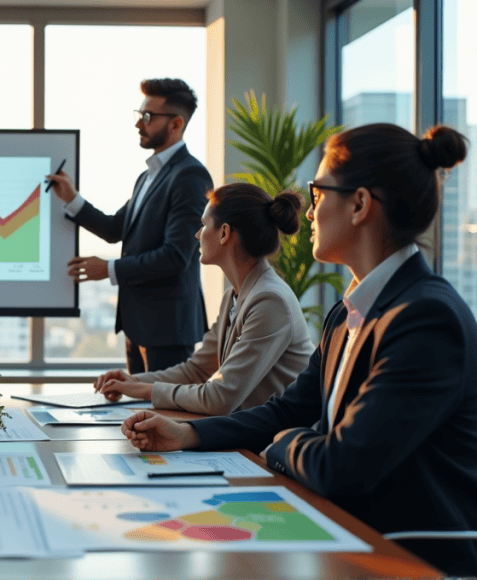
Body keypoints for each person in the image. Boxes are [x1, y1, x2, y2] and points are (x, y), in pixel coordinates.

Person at [121, 123, 476, 575]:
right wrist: (189, 435)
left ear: (360, 205)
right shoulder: (349, 312)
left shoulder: (426, 318)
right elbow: (287, 411)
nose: (309, 212)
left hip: (406, 557)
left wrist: (284, 445)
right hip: (346, 534)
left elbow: (343, 464)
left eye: (319, 192)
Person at [93, 183, 314, 415]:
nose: (198, 234)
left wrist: (146, 390)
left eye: (203, 225)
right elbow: (197, 371)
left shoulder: (270, 301)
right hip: (247, 435)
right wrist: (133, 381)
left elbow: (220, 398)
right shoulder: (235, 295)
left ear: (224, 233)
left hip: (273, 446)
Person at [48, 78, 213, 374]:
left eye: (147, 117)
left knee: (160, 416)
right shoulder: (147, 177)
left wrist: (109, 269)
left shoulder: (190, 177)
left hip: (167, 332)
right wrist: (72, 199)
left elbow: (175, 257)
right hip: (138, 326)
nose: (139, 124)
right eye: (139, 115)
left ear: (176, 124)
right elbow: (114, 228)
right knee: (137, 414)